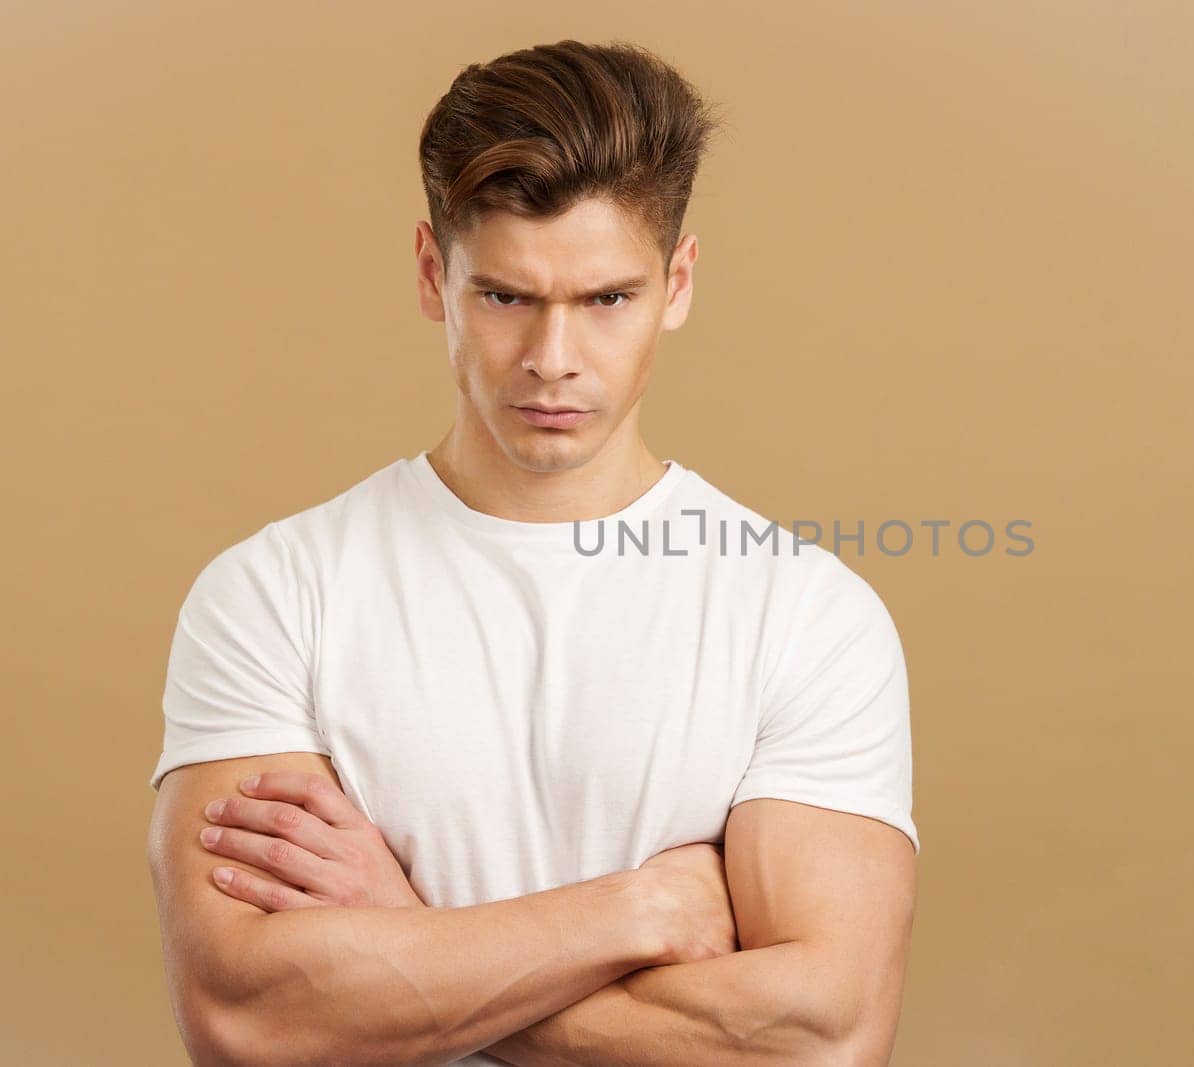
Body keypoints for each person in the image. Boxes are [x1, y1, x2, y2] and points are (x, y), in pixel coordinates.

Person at [145, 39, 918, 1067]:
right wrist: (632, 910)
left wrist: (408, 930)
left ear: (677, 284)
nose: (553, 359)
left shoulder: (804, 612)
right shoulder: (275, 595)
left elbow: (822, 1040)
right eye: (505, 296)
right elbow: (252, 1023)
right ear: (434, 273)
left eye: (606, 300)